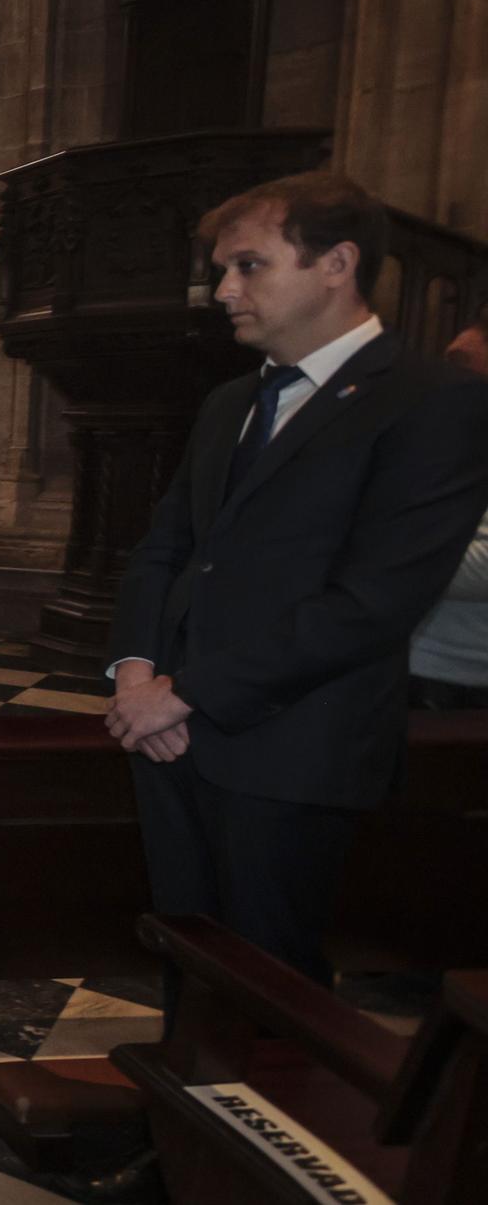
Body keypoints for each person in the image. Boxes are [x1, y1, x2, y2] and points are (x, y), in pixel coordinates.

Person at [105, 172, 488, 1008]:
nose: (223, 290)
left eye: (248, 266)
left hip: (293, 750)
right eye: (222, 269)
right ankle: (183, 1131)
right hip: (170, 739)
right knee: (185, 961)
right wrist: (138, 676)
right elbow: (167, 549)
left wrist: (190, 693)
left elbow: (374, 601)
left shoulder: (434, 402)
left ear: (336, 263)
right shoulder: (229, 401)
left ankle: (257, 1136)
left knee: (272, 989)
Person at [407, 322, 488, 708]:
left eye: (461, 364)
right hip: (408, 659)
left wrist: (383, 553)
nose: (445, 376)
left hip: (456, 678)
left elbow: (483, 567)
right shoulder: (453, 434)